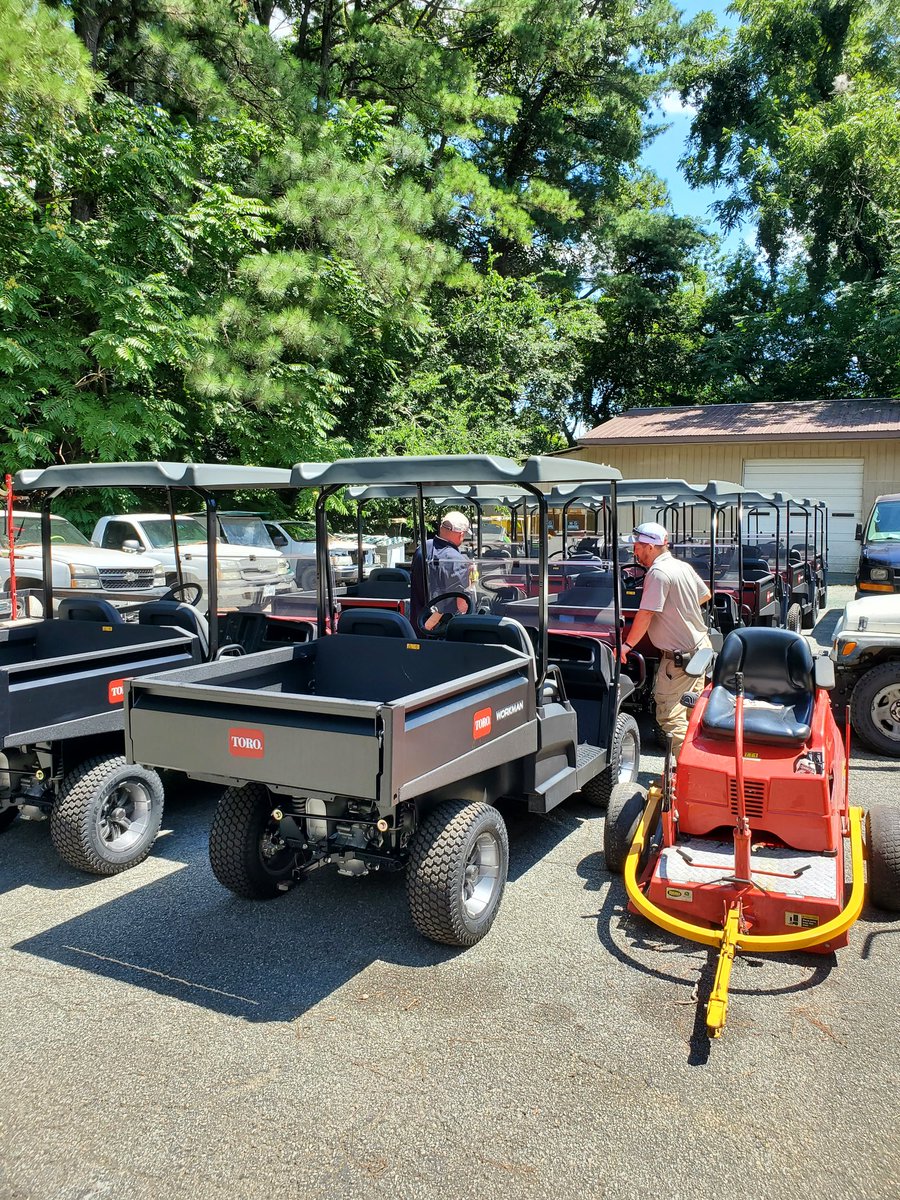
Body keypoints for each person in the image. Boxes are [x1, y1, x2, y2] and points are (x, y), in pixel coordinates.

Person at [619, 521, 712, 756]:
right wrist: (677, 610)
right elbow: (705, 595)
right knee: (692, 712)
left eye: (638, 546)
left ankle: (687, 772)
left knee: (671, 716)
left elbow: (646, 613)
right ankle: (698, 760)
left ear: (651, 547)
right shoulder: (682, 566)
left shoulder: (658, 573)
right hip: (698, 650)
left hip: (679, 659)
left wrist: (627, 645)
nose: (635, 552)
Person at [409, 511, 476, 632]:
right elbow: (462, 606)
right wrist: (472, 580)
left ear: (441, 528)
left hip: (416, 625)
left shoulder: (421, 549)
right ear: (461, 534)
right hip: (442, 630)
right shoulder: (458, 561)